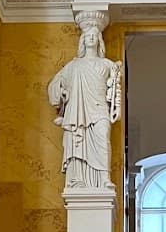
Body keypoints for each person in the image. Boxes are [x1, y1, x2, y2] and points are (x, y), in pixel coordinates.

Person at [48, 24, 122, 189]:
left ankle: (104, 179)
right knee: (77, 142)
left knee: (103, 138)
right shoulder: (73, 66)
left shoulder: (107, 64)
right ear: (82, 40)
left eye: (94, 36)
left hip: (100, 108)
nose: (91, 37)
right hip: (79, 111)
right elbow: (55, 85)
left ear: (99, 41)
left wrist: (118, 72)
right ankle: (78, 180)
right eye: (87, 35)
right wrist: (62, 92)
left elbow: (116, 85)